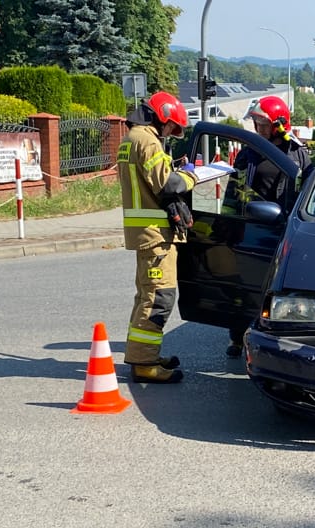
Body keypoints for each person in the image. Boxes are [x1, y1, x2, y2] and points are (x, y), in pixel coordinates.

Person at [222, 95, 313, 358]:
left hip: (284, 227)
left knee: (279, 285)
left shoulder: (297, 152)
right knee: (243, 283)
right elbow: (235, 188)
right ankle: (238, 337)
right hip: (252, 225)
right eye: (255, 122)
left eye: (261, 123)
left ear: (278, 125)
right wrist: (234, 219)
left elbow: (307, 187)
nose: (256, 128)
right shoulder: (249, 152)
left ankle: (278, 336)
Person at [117, 91, 198, 383]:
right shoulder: (147, 140)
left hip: (145, 233)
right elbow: (168, 184)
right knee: (159, 298)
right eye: (170, 127)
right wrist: (192, 174)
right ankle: (145, 365)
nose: (170, 133)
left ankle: (143, 355)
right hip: (156, 235)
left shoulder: (132, 139)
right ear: (162, 116)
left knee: (145, 296)